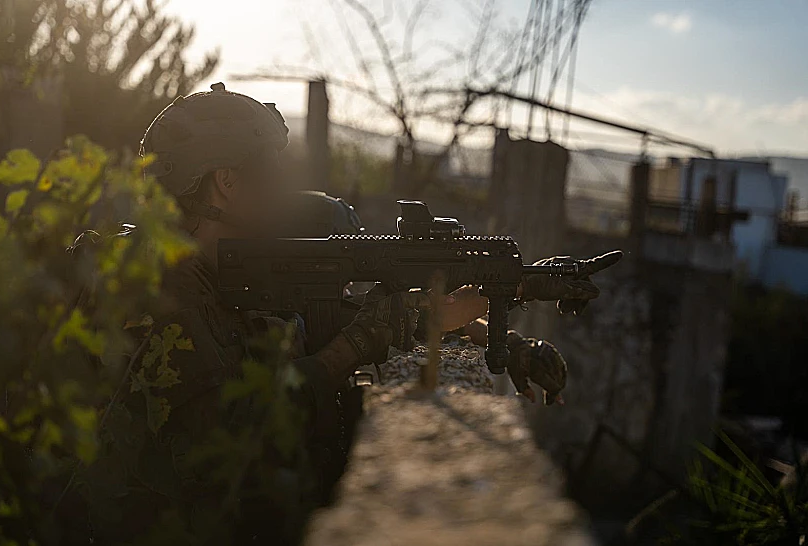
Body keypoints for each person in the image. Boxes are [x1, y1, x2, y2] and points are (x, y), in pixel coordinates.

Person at [68, 83, 620, 543]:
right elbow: (233, 434)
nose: (283, 187)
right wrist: (352, 349)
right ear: (226, 182)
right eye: (270, 170)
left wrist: (501, 310)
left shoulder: (219, 272)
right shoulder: (161, 285)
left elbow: (341, 316)